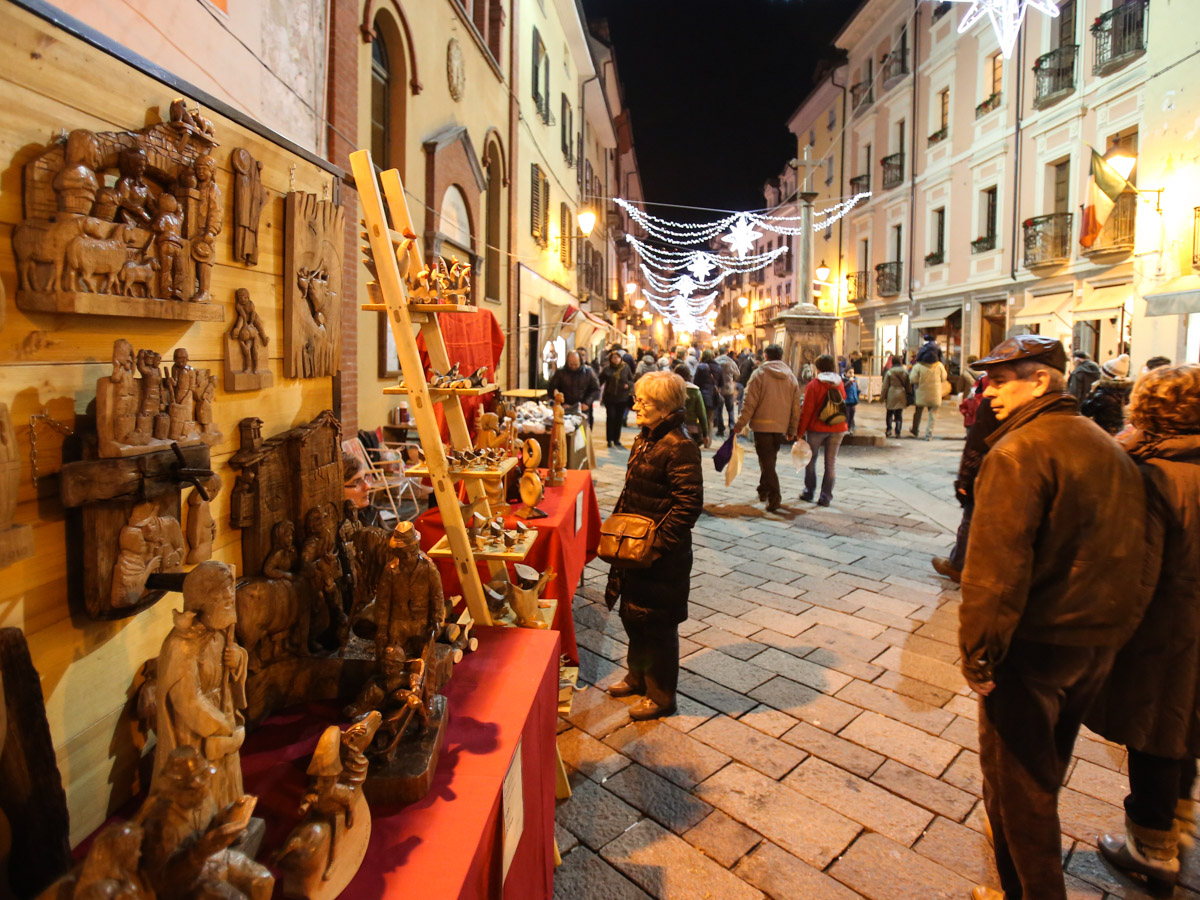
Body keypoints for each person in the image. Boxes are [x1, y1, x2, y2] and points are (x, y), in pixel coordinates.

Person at [958, 335, 1149, 900]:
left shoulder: (1019, 452)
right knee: (1045, 769)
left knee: (1019, 785)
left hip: (1034, 643)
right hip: (1094, 640)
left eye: (1002, 378)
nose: (988, 390)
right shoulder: (1105, 442)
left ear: (1040, 380)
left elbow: (995, 571)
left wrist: (978, 654)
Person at [1083, 364, 1199, 897]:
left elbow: (1138, 570)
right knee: (1186, 724)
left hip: (1166, 630)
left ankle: (1151, 847)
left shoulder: (1153, 472)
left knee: (1155, 729)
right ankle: (1178, 820)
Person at [605, 371, 703, 721]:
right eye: (637, 399)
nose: (636, 406)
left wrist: (657, 546)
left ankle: (662, 695)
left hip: (661, 557)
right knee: (633, 616)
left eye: (643, 401)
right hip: (633, 548)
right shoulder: (645, 438)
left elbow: (688, 505)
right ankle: (638, 676)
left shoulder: (679, 445)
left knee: (658, 625)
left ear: (664, 407)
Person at [932, 374, 998, 583]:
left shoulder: (991, 401)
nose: (990, 390)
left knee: (970, 517)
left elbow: (976, 444)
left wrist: (965, 481)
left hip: (988, 472)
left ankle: (959, 564)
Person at [732, 344, 801, 512]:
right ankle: (763, 489)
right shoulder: (791, 377)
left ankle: (774, 496)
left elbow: (750, 403)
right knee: (770, 460)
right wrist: (792, 429)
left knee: (767, 463)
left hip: (762, 425)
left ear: (766, 356)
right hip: (780, 427)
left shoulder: (759, 374)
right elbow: (795, 407)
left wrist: (740, 423)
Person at [795, 354, 849, 507]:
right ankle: (825, 497)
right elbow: (843, 399)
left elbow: (807, 410)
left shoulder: (814, 384)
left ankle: (809, 491)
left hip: (817, 428)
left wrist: (800, 431)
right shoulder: (839, 383)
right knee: (830, 464)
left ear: (818, 368)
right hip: (838, 427)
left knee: (810, 461)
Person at [1081, 353, 1133, 435]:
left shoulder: (1102, 394)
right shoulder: (1129, 390)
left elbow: (1085, 411)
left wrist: (1092, 392)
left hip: (1104, 434)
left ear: (1106, 375)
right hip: (1122, 432)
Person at [545, 351, 601, 428]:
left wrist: (587, 402)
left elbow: (596, 389)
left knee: (583, 432)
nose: (573, 366)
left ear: (580, 361)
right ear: (567, 362)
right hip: (565, 408)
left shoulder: (588, 372)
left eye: (576, 364)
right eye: (571, 364)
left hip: (582, 407)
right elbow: (552, 389)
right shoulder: (560, 373)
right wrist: (561, 403)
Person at [600, 350, 635, 448]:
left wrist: (628, 385)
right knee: (611, 417)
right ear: (611, 359)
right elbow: (599, 380)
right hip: (610, 397)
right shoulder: (607, 369)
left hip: (622, 397)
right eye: (614, 358)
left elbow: (631, 380)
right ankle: (609, 439)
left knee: (619, 419)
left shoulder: (625, 368)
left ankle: (616, 439)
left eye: (618, 357)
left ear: (621, 358)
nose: (616, 360)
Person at [908, 353, 947, 440]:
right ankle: (928, 434)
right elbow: (944, 377)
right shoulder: (939, 365)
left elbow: (913, 379)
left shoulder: (918, 366)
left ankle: (915, 430)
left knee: (918, 412)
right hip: (934, 393)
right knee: (932, 414)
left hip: (921, 393)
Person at [673, 364, 709, 448]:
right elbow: (702, 414)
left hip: (674, 427)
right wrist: (705, 433)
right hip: (692, 428)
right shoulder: (695, 391)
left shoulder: (672, 389)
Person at [712, 348, 740, 438]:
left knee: (719, 410)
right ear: (726, 352)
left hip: (719, 389)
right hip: (729, 388)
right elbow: (738, 374)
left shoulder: (715, 362)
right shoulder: (731, 362)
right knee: (730, 409)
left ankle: (720, 429)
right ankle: (732, 427)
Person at [882, 355, 910, 438]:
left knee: (889, 413)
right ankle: (898, 431)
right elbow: (908, 385)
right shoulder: (905, 372)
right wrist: (908, 394)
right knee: (899, 413)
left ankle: (889, 430)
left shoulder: (889, 372)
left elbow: (885, 386)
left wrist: (882, 397)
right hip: (901, 393)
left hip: (891, 392)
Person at [693, 349, 717, 427]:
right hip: (713, 397)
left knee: (700, 420)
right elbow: (720, 383)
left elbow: (696, 382)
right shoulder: (718, 367)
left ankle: (702, 437)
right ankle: (708, 438)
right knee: (710, 422)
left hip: (701, 396)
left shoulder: (701, 367)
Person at [842, 369, 859, 434]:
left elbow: (856, 389)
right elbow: (844, 387)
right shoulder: (844, 381)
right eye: (850, 373)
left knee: (852, 414)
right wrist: (849, 382)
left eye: (853, 372)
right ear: (845, 373)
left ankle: (851, 428)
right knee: (847, 415)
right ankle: (846, 428)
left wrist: (858, 394)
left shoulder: (854, 381)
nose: (852, 374)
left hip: (853, 401)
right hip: (846, 401)